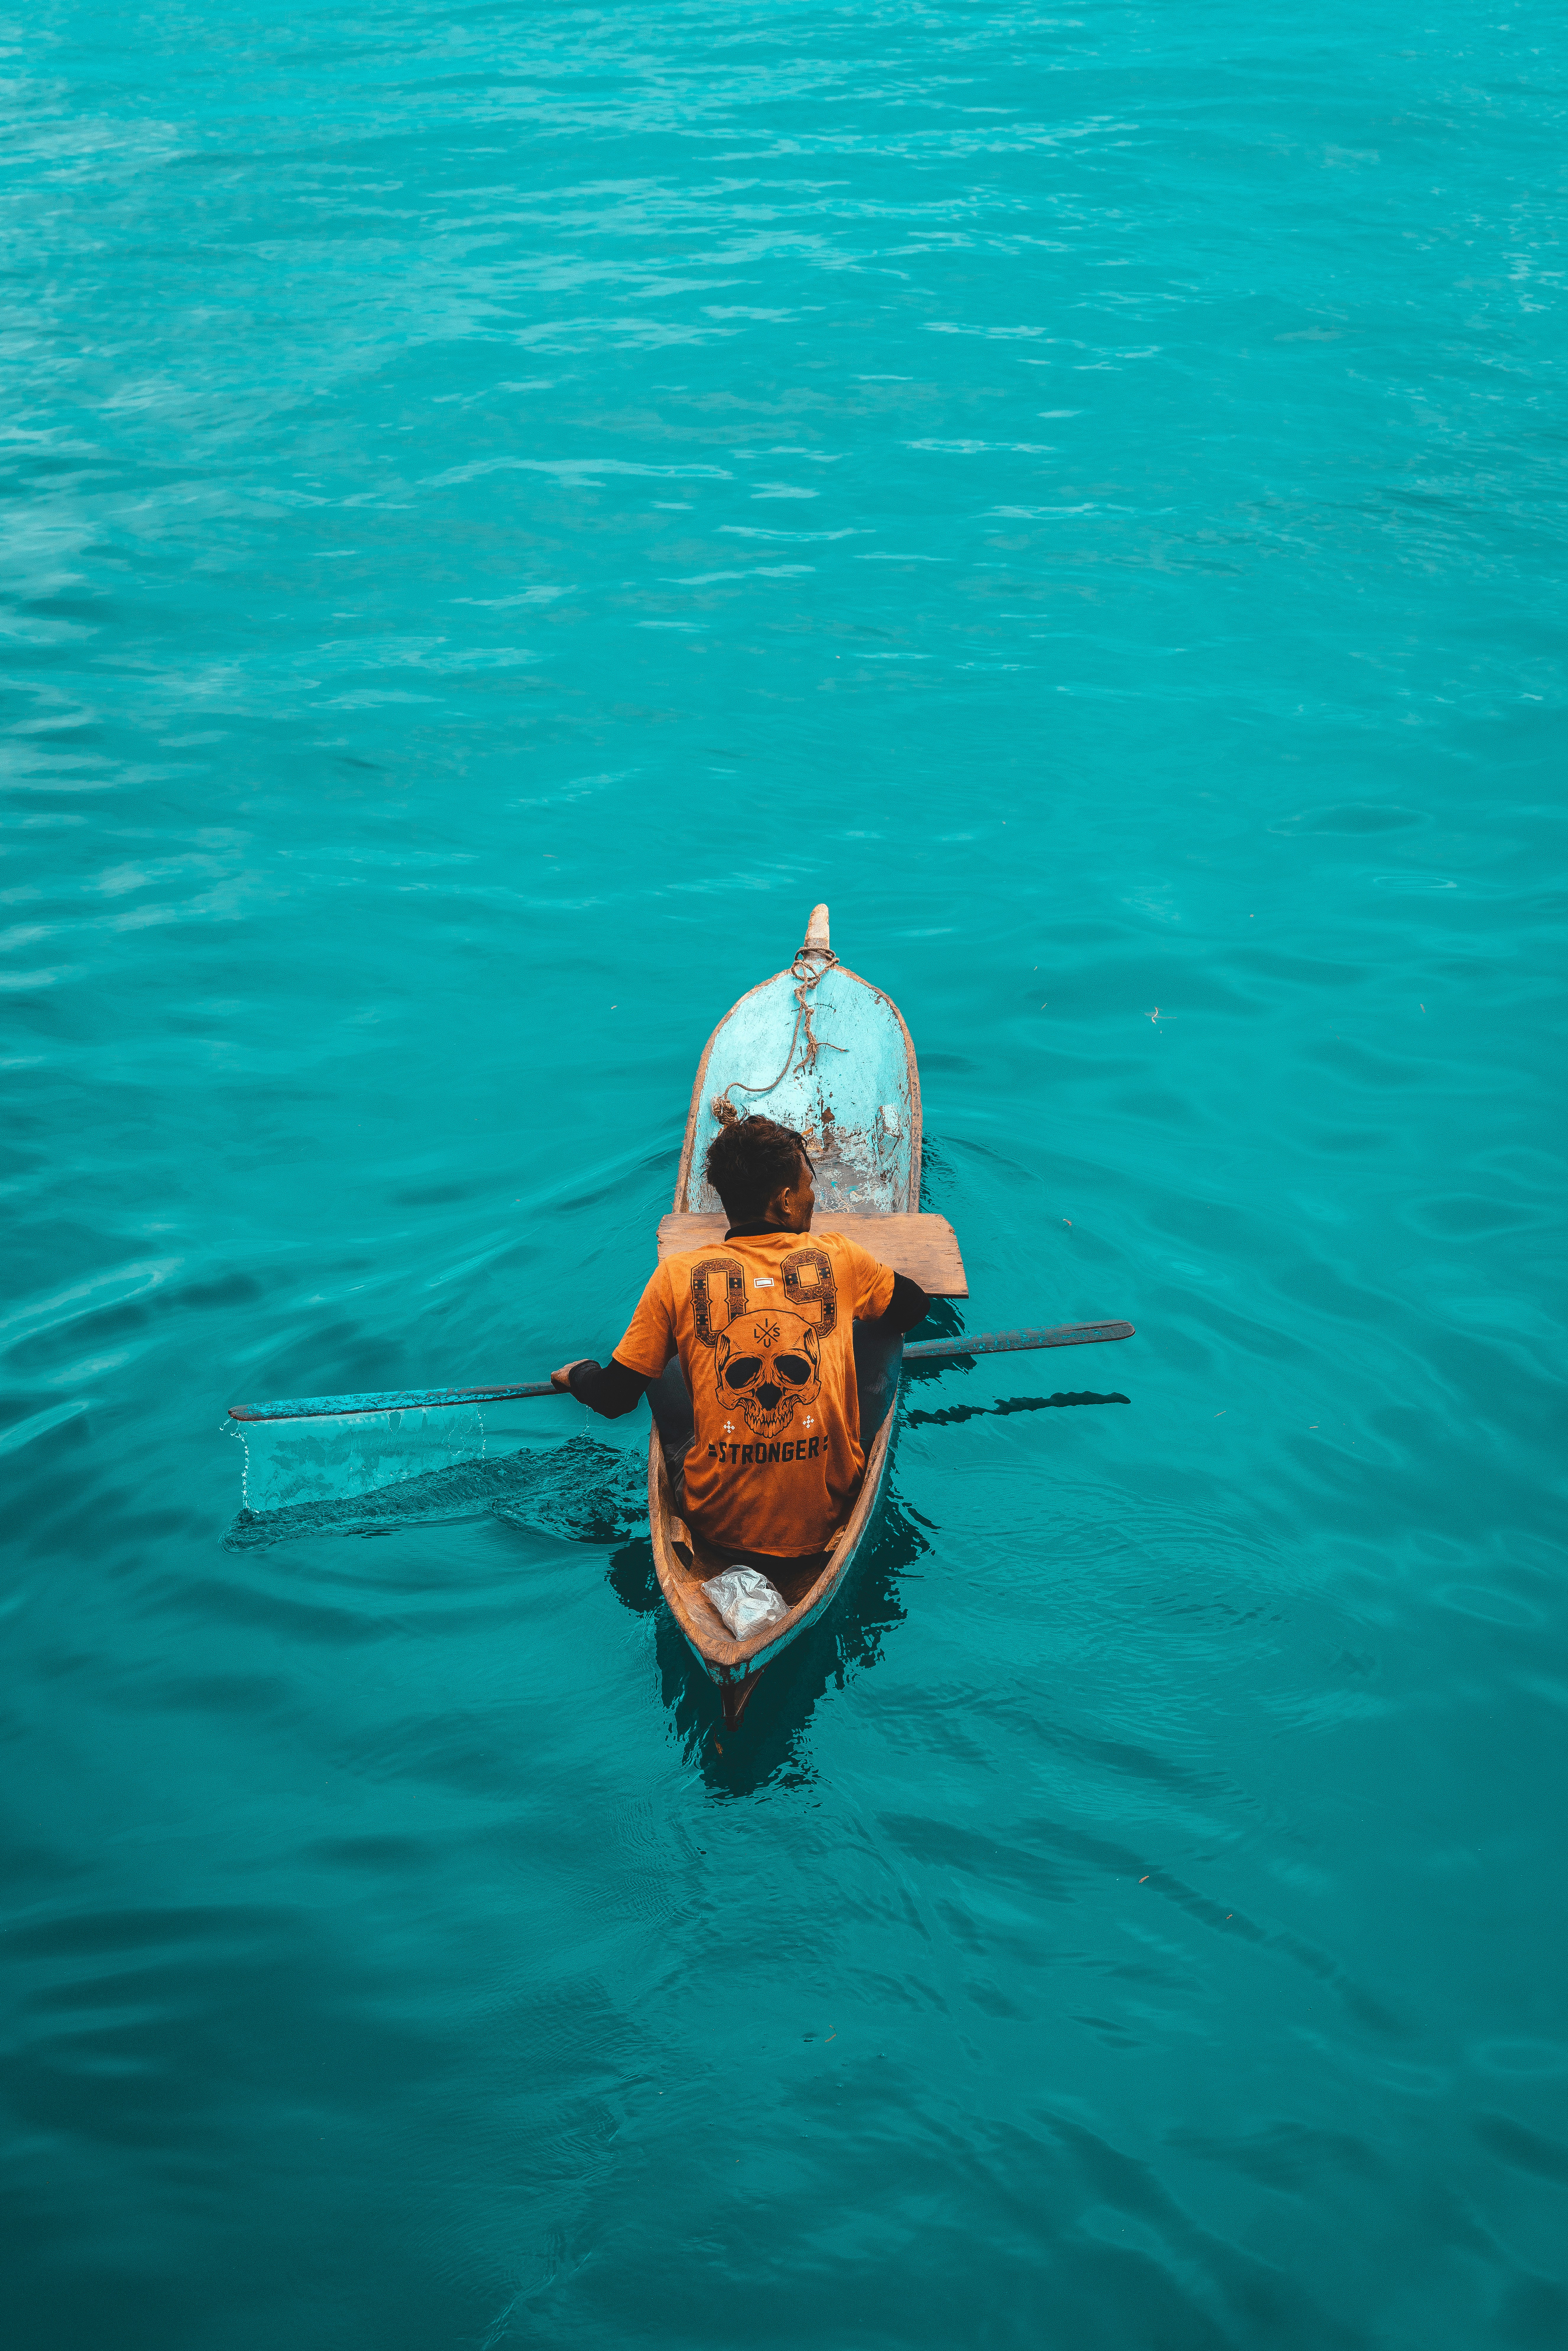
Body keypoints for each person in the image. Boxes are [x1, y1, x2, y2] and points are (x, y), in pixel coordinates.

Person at [552, 1114, 929, 1572]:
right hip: (827, 1517)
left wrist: (579, 1375)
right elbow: (913, 1310)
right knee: (870, 1322)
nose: (815, 1198)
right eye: (809, 1186)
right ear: (786, 1201)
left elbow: (614, 1399)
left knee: (660, 1354)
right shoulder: (838, 1257)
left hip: (718, 1528)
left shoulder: (678, 1275)